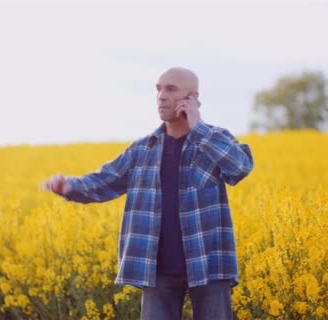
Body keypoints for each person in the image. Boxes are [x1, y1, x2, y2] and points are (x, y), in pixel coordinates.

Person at [40, 67, 254, 320]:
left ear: (192, 98)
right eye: (158, 89)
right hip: (157, 269)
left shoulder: (214, 140)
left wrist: (198, 128)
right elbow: (105, 180)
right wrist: (69, 186)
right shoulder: (144, 148)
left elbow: (239, 167)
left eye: (171, 89)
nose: (161, 96)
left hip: (209, 262)